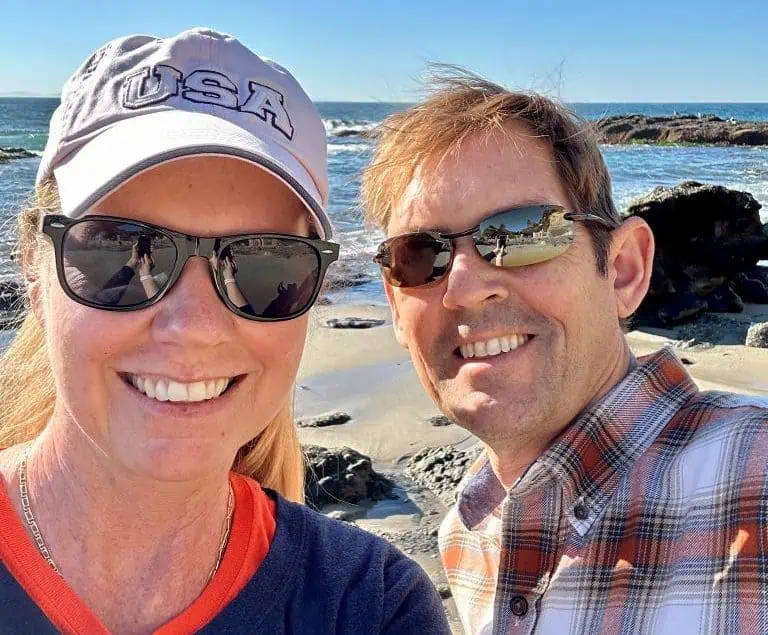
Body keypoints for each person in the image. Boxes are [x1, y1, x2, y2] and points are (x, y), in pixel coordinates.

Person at [0, 29, 450, 634]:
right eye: (121, 253)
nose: (194, 328)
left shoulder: (368, 607)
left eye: (266, 265)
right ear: (34, 267)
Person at [362, 69, 768, 634]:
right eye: (416, 255)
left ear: (623, 269)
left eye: (522, 232)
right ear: (394, 307)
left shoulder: (754, 479)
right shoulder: (466, 532)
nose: (461, 286)